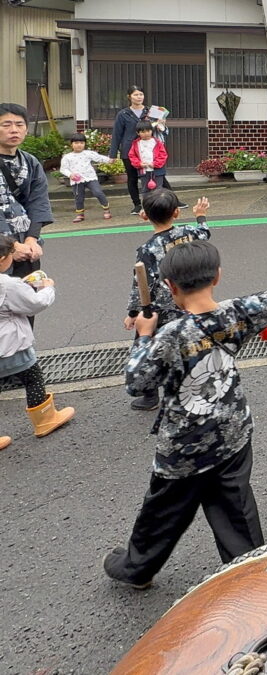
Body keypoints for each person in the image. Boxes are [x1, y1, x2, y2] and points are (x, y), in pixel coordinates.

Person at [104, 240, 267, 589]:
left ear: (170, 286)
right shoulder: (235, 315)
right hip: (233, 432)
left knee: (162, 512)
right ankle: (250, 576)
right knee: (236, 510)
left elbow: (137, 381)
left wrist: (144, 335)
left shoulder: (170, 335)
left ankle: (137, 569)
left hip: (184, 448)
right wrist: (237, 314)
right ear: (217, 275)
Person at [123, 189, 212, 410]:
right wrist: (200, 214)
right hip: (190, 300)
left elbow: (141, 283)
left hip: (162, 309)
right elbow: (204, 232)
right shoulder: (189, 232)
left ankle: (150, 395)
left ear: (144, 215)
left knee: (149, 346)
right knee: (191, 343)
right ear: (176, 213)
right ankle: (197, 387)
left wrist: (134, 313)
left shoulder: (147, 250)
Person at [0, 235, 74, 446]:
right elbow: (34, 304)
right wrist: (47, 288)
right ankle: (45, 420)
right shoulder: (8, 284)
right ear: (3, 258)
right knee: (32, 378)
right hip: (10, 344)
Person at [0, 103, 51, 282]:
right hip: (3, 247)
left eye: (19, 124)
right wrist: (11, 246)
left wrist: (31, 240)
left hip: (25, 245)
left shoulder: (30, 162)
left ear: (26, 130)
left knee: (27, 294)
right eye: (6, 125)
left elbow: (39, 201)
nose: (14, 130)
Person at [109, 85, 171, 214]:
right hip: (130, 151)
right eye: (136, 94)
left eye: (141, 94)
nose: (139, 97)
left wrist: (162, 124)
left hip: (150, 150)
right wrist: (113, 154)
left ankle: (172, 200)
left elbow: (163, 130)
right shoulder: (123, 114)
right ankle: (137, 204)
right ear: (129, 97)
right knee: (132, 178)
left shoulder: (152, 111)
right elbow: (117, 134)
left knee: (159, 176)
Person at [60, 132, 116, 223]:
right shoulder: (67, 157)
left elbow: (99, 158)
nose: (79, 145)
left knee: (98, 192)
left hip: (90, 178)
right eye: (76, 143)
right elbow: (63, 169)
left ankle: (106, 209)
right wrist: (70, 175)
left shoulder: (88, 153)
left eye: (81, 143)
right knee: (78, 197)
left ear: (85, 144)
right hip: (77, 181)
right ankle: (80, 214)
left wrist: (109, 160)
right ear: (71, 144)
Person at [127, 120, 168, 199]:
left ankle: (158, 205)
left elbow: (163, 155)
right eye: (143, 132)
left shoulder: (157, 142)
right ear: (138, 133)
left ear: (151, 131)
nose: (146, 133)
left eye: (148, 131)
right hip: (144, 171)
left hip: (157, 171)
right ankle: (147, 205)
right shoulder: (136, 144)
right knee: (145, 190)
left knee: (158, 189)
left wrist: (155, 164)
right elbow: (132, 156)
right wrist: (139, 164)